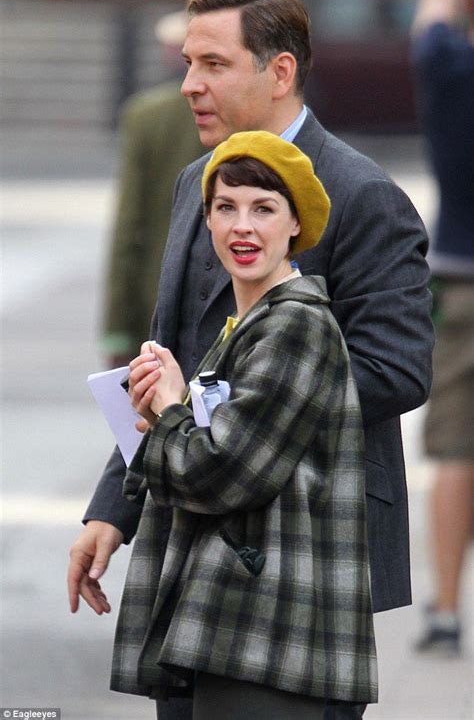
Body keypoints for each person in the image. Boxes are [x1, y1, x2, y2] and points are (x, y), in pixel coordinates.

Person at [68, 0, 434, 719]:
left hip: (303, 561)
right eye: (186, 62)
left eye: (211, 63)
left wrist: (239, 414)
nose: (189, 84)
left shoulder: (366, 195)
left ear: (279, 72)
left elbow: (397, 367)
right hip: (189, 540)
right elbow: (167, 359)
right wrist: (113, 508)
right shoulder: (192, 184)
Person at [110, 130, 378, 717]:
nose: (242, 227)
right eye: (226, 208)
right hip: (242, 625)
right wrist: (164, 410)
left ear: (295, 225)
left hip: (268, 631)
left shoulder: (295, 325)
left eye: (263, 209)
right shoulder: (246, 323)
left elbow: (221, 471)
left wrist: (169, 411)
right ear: (206, 220)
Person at [102, 0, 239, 367]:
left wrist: (119, 329)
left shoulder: (146, 115)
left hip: (159, 306)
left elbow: (129, 230)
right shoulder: (254, 113)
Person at [411, 0, 474, 656]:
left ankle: (448, 611)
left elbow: (429, 18)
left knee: (456, 448)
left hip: (461, 283)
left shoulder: (450, 67)